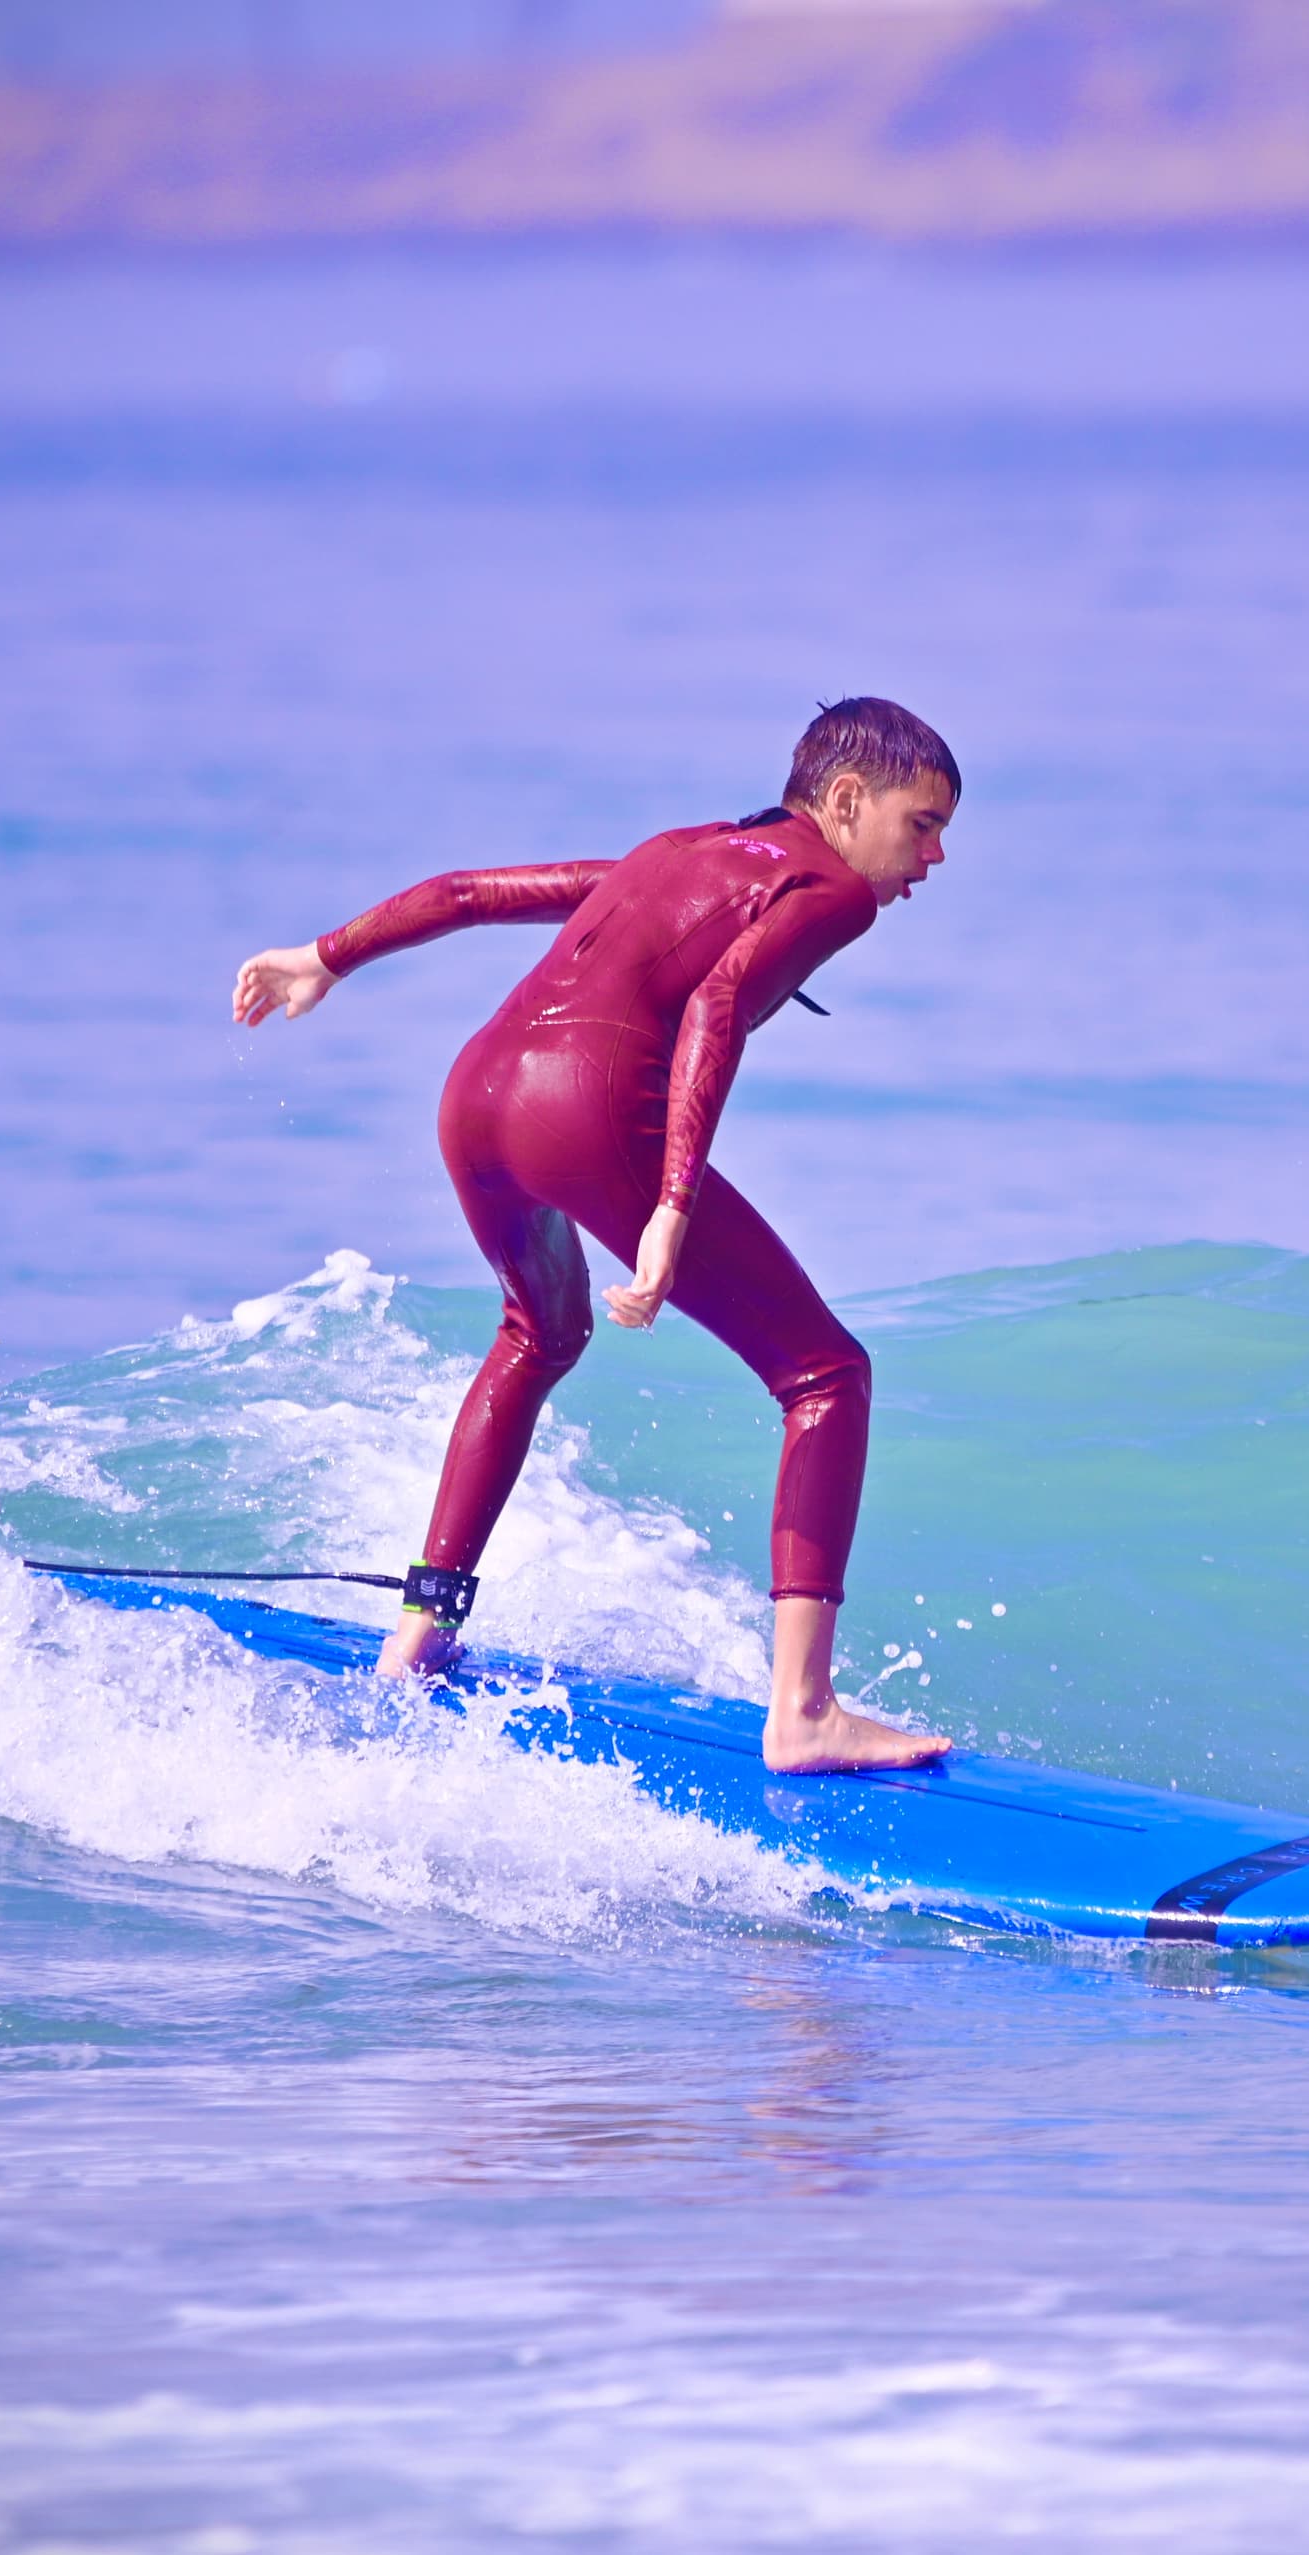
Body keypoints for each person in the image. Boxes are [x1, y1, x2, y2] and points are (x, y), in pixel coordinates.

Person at [232, 697, 959, 1773]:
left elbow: (472, 894)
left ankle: (418, 1639)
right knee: (826, 1372)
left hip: (475, 1094)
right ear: (847, 800)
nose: (935, 856)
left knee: (538, 1333)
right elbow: (716, 1008)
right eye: (922, 822)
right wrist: (669, 1203)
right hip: (585, 1106)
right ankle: (802, 1711)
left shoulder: (682, 851)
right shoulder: (834, 888)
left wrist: (326, 955)